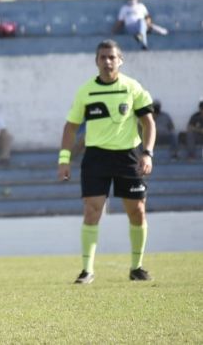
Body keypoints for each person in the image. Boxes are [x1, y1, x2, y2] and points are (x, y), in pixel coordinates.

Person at [58, 39, 155, 285]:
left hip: (128, 156)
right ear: (97, 61)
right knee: (92, 211)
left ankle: (137, 267)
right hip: (96, 157)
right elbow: (71, 127)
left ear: (120, 60)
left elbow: (148, 123)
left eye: (112, 57)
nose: (108, 61)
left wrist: (147, 153)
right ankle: (87, 270)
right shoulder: (86, 91)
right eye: (103, 57)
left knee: (137, 211)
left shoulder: (132, 87)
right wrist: (64, 159)